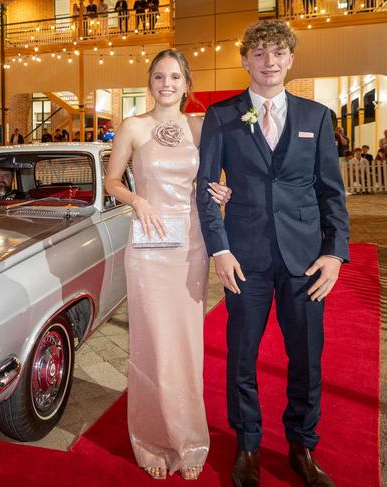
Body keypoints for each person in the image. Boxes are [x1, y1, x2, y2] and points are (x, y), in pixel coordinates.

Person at [197, 20, 349, 487]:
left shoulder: (317, 117)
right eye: (260, 54)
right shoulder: (221, 116)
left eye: (279, 53)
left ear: (290, 60)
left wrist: (335, 254)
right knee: (241, 356)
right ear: (245, 60)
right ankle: (247, 445)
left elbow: (331, 193)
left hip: (306, 262)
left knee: (307, 358)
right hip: (244, 259)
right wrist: (219, 249)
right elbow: (206, 191)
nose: (270, 62)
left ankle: (302, 445)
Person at [105, 49, 231, 481]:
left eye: (175, 76)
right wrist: (138, 199)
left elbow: (212, 181)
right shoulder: (133, 127)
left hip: (189, 247)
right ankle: (151, 438)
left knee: (187, 343)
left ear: (186, 82)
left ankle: (190, 437)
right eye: (159, 76)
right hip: (148, 247)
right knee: (152, 341)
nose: (166, 83)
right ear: (150, 81)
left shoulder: (199, 127)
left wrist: (223, 195)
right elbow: (112, 181)